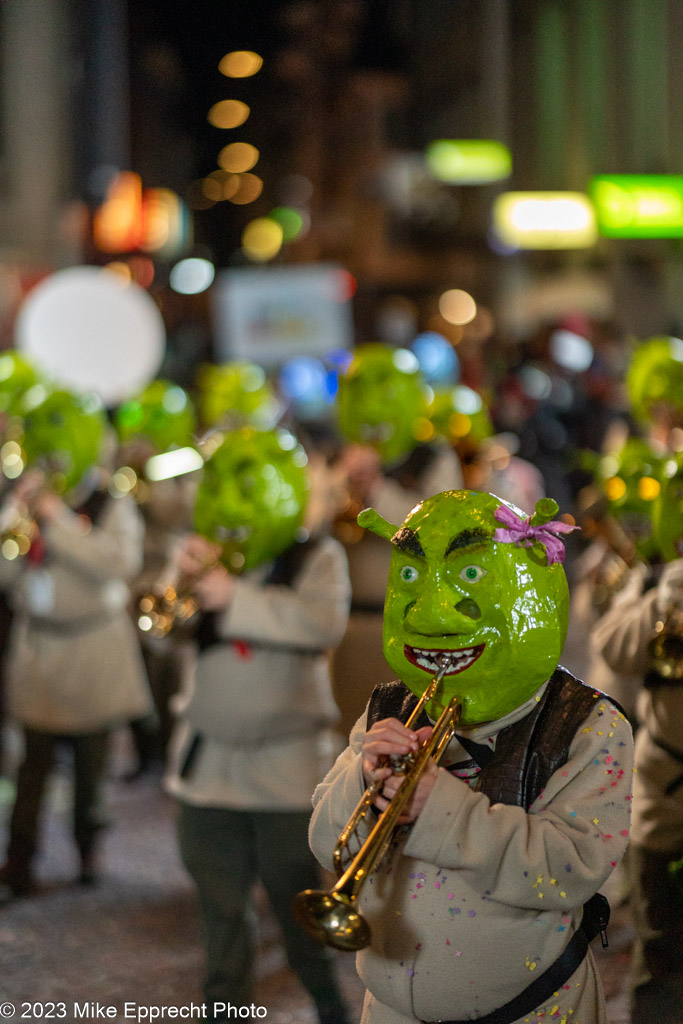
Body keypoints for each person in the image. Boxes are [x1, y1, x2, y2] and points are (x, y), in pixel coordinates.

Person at [306, 489, 633, 1024]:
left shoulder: (587, 726)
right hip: (388, 1007)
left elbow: (572, 869)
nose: (431, 612)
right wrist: (359, 783)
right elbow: (328, 845)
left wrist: (445, 813)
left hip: (532, 1007)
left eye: (472, 574)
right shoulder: (389, 708)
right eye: (410, 578)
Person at [165, 426, 352, 1024]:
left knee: (298, 913)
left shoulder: (317, 555)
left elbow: (322, 623)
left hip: (286, 773)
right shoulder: (202, 552)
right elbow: (166, 632)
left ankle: (330, 1009)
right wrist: (180, 581)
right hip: (208, 769)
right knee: (219, 919)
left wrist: (233, 595)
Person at [0, 388, 152, 895]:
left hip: (93, 648)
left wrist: (56, 519)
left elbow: (116, 564)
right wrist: (14, 515)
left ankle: (89, 848)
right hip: (40, 646)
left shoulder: (110, 500)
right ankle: (19, 858)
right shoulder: (23, 499)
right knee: (32, 766)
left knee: (92, 765)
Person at [591, 459, 683, 1023]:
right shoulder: (656, 581)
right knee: (660, 943)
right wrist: (663, 599)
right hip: (664, 794)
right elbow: (611, 646)